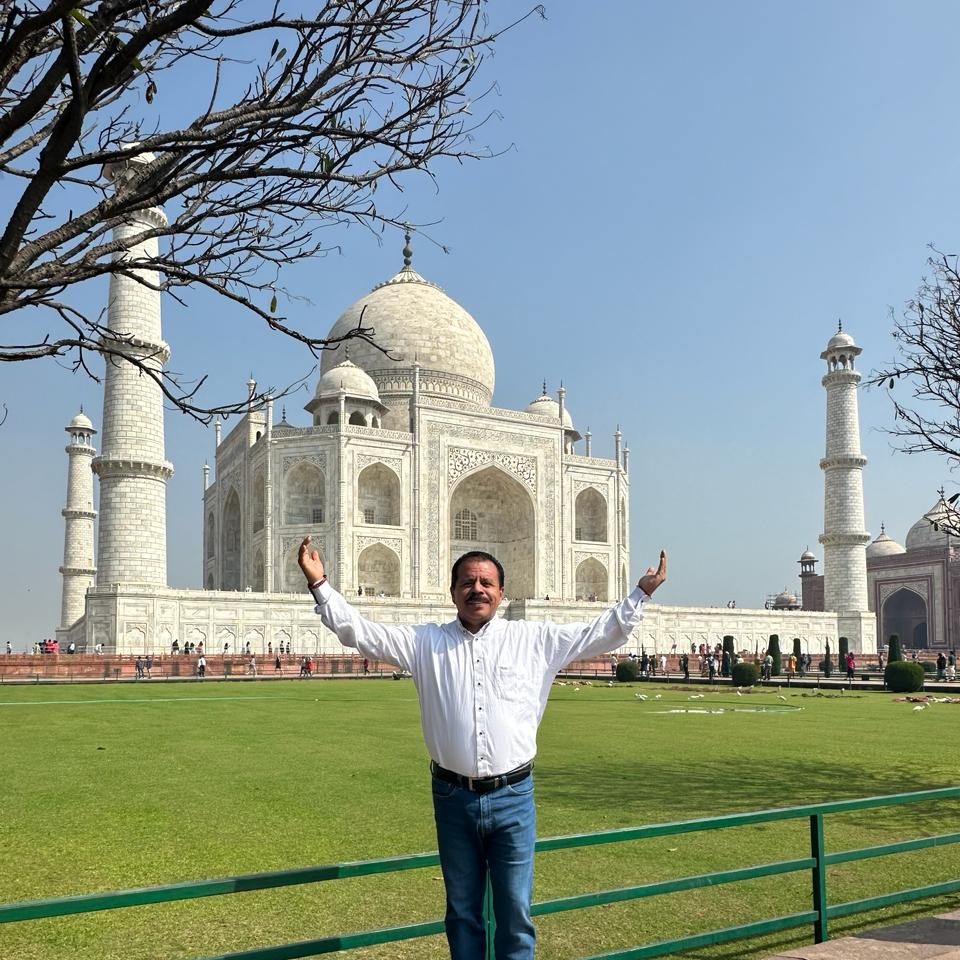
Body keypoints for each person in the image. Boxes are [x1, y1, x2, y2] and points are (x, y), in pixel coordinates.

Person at [298, 535, 666, 960]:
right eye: (468, 582)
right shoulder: (424, 643)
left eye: (487, 582)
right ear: (453, 592)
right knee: (462, 912)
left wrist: (641, 593)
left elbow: (601, 634)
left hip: (513, 797)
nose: (478, 589)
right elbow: (360, 633)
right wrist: (319, 584)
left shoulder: (534, 640)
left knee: (515, 914)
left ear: (501, 592)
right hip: (453, 797)